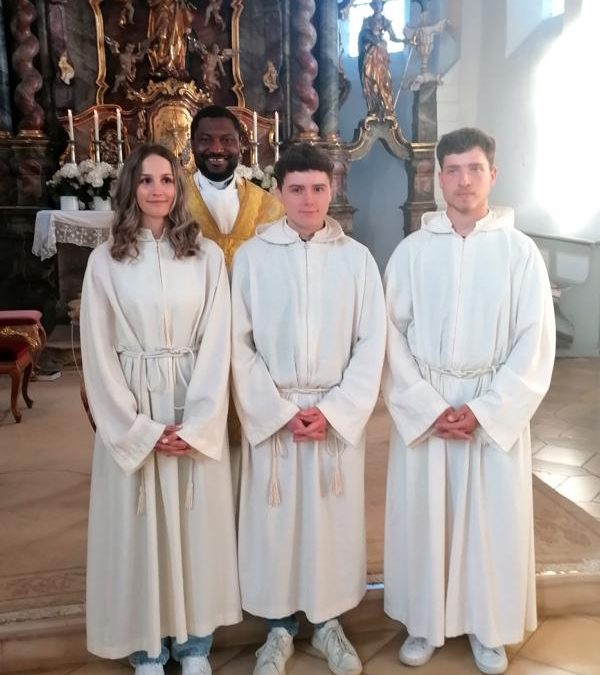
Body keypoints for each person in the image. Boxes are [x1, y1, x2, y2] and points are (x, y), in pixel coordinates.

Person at [383, 128, 555, 674]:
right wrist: (428, 406)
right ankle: (424, 622)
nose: (463, 181)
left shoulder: (519, 252)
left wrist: (484, 411)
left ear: (492, 175)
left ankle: (488, 626)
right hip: (430, 404)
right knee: (426, 518)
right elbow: (390, 335)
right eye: (452, 170)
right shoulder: (412, 251)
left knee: (490, 522)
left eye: (474, 169)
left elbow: (534, 342)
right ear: (439, 178)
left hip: (488, 403)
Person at [80, 143, 241, 675]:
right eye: (146, 180)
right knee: (140, 528)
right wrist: (137, 428)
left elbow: (218, 342)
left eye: (167, 179)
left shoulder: (206, 257)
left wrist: (197, 422)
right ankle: (146, 646)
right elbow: (98, 350)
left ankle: (195, 643)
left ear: (179, 188)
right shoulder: (106, 261)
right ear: (131, 187)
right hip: (133, 398)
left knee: (195, 527)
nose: (157, 190)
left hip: (193, 395)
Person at [231, 144, 386, 675]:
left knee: (330, 523)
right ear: (278, 192)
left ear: (331, 188)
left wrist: (337, 410)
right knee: (276, 524)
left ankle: (327, 623)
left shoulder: (356, 259)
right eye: (296, 189)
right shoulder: (252, 258)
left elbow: (372, 342)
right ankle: (278, 629)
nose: (308, 199)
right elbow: (238, 343)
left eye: (318, 188)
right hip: (276, 411)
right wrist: (276, 411)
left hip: (331, 412)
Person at [188, 104, 284, 270]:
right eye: (205, 140)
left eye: (227, 140)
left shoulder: (267, 205)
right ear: (192, 144)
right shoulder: (173, 201)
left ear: (240, 144)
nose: (216, 149)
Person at [358, 0, 406, 118]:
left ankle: (386, 107)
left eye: (379, 4)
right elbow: (363, 35)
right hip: (370, 54)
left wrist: (406, 41)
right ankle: (374, 108)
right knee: (370, 80)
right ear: (372, 6)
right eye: (375, 4)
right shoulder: (367, 21)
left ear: (382, 6)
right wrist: (374, 40)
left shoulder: (385, 21)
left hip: (381, 54)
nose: (377, 6)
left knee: (384, 81)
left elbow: (393, 37)